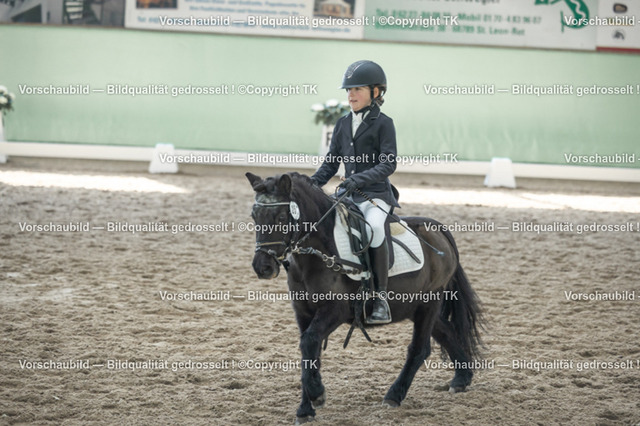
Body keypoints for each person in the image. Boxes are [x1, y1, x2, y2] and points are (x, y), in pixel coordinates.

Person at [310, 60, 399, 325]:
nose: (350, 95)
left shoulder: (384, 124)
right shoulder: (342, 123)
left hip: (375, 197)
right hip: (348, 197)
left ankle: (380, 298)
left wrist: (357, 179)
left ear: (375, 92)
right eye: (348, 90)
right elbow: (330, 164)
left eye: (357, 89)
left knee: (374, 229)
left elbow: (388, 164)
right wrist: (310, 184)